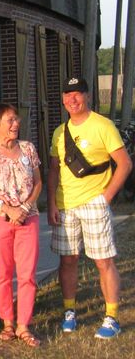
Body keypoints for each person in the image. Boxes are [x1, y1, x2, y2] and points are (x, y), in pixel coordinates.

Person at [47, 76, 132, 339]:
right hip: (66, 206)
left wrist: (105, 198)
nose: (73, 99)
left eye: (78, 94)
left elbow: (125, 164)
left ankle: (111, 317)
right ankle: (69, 311)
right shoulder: (59, 132)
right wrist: (51, 202)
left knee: (103, 261)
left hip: (94, 203)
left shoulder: (103, 125)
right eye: (68, 94)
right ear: (62, 99)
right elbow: (53, 169)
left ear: (87, 96)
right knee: (68, 260)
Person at [0, 104, 42, 347]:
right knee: (2, 273)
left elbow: (38, 183)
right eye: (10, 120)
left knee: (27, 274)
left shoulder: (28, 148)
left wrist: (24, 208)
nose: (16, 124)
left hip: (28, 217)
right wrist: (6, 209)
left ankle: (24, 325)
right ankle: (7, 323)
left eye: (16, 119)